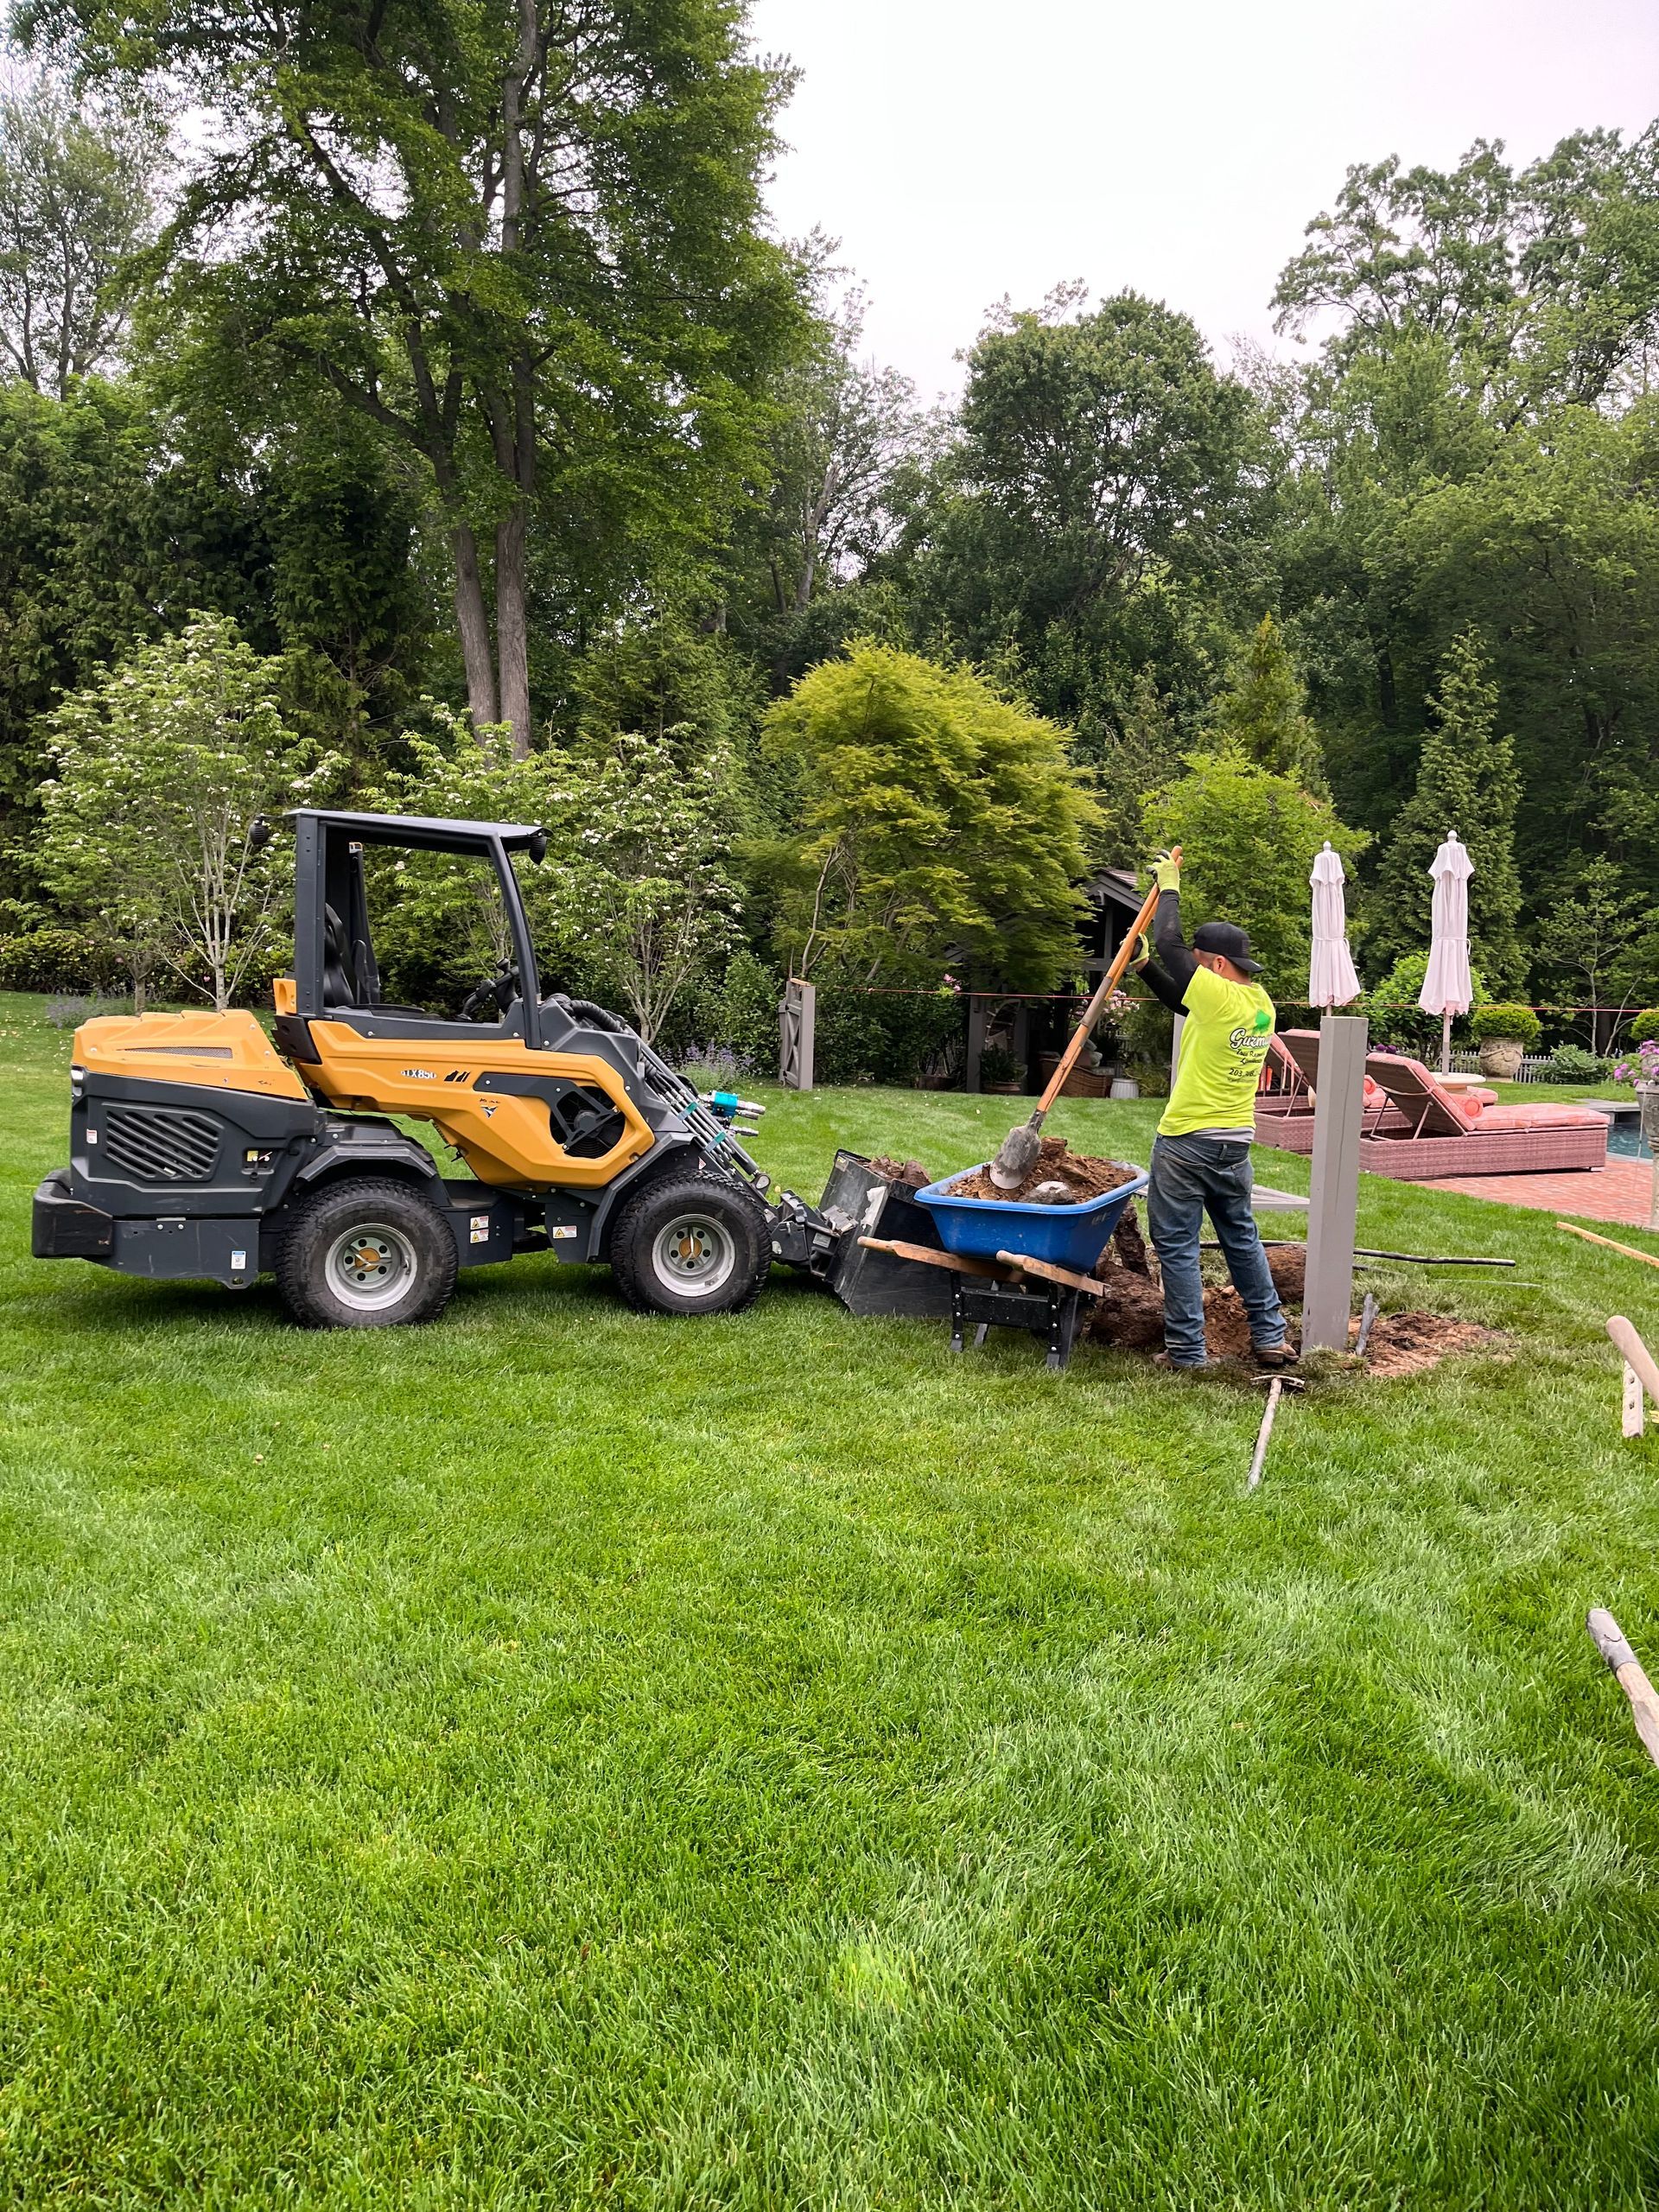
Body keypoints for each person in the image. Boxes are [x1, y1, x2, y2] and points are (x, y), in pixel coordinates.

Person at [1131, 850, 1292, 1372]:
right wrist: (1146, 970)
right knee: (1241, 1238)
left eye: (1200, 964)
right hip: (1234, 1144)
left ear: (1217, 965)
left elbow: (1169, 943)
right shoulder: (1259, 1002)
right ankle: (1269, 1336)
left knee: (1177, 1247)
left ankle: (1186, 1353)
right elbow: (1182, 1003)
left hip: (1187, 1141)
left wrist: (1169, 887)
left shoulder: (1219, 993)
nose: (1193, 969)